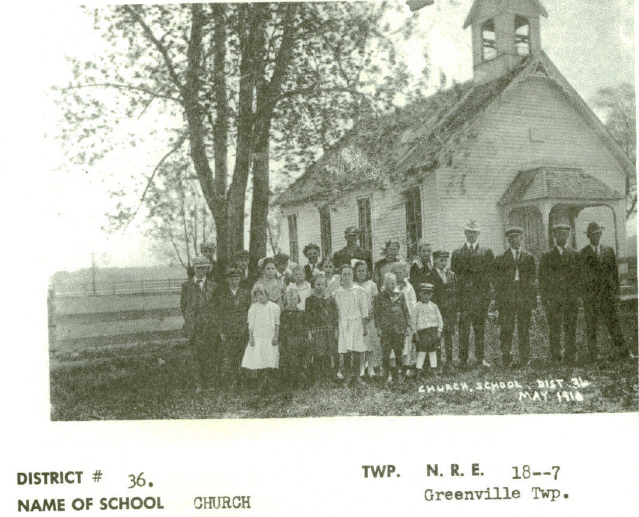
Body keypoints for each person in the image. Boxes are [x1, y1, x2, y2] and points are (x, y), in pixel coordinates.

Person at [579, 222, 632, 362]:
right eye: (593, 235)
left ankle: (624, 353)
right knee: (591, 326)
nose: (596, 237)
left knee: (614, 324)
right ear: (589, 236)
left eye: (598, 234)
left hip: (607, 295)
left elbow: (614, 274)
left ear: (600, 235)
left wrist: (617, 293)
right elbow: (580, 277)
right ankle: (593, 355)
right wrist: (584, 295)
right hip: (591, 297)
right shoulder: (583, 253)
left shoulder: (608, 250)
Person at [451, 220, 494, 368]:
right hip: (464, 299)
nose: (471, 235)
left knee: (479, 330)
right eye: (469, 232)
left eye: (474, 232)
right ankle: (463, 359)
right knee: (463, 330)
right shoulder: (457, 253)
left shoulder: (486, 252)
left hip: (480, 298)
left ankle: (480, 358)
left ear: (478, 234)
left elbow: (490, 276)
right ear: (465, 233)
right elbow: (455, 278)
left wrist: (487, 298)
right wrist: (457, 300)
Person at [494, 227, 537, 368]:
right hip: (508, 298)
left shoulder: (529, 257)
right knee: (507, 328)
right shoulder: (501, 258)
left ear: (521, 238)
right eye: (512, 238)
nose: (515, 241)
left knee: (524, 328)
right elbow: (497, 282)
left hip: (523, 297)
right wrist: (499, 301)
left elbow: (532, 280)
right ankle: (507, 357)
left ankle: (525, 358)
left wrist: (532, 300)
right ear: (508, 240)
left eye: (517, 237)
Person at [538, 224, 581, 364]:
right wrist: (545, 298)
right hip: (554, 298)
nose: (562, 236)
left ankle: (570, 354)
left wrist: (578, 296)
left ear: (568, 236)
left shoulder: (575, 254)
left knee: (571, 326)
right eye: (559, 234)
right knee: (555, 327)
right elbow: (542, 279)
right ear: (554, 236)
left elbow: (578, 278)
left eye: (565, 234)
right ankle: (556, 354)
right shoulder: (547, 256)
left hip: (570, 298)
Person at [180, 255, 220, 392]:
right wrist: (190, 321)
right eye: (198, 268)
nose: (201, 271)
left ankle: (210, 383)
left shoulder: (214, 286)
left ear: (208, 269)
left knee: (209, 355)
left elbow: (216, 306)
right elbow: (184, 306)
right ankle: (198, 384)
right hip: (194, 327)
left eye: (204, 268)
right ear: (194, 269)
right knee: (194, 356)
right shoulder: (186, 286)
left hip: (209, 327)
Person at [374, 272, 413, 384]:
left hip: (398, 329)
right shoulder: (379, 297)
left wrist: (408, 326)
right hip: (386, 330)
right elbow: (377, 314)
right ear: (383, 284)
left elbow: (405, 311)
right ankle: (386, 374)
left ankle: (399, 374)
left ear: (396, 283)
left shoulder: (400, 295)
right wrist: (378, 327)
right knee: (386, 353)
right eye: (387, 284)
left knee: (398, 352)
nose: (390, 286)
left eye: (392, 284)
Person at [241, 284, 281, 391]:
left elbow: (277, 323)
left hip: (269, 336)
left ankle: (270, 383)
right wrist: (251, 338)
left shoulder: (274, 307)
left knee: (270, 360)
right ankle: (261, 383)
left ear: (266, 294)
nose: (259, 296)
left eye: (261, 294)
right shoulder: (253, 307)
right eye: (256, 294)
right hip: (258, 337)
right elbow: (251, 324)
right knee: (258, 360)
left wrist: (276, 336)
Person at [333, 264, 369, 381]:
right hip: (343, 323)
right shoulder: (337, 292)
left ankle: (357, 375)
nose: (347, 277)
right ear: (341, 277)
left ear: (353, 275)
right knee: (346, 350)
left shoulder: (359, 290)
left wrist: (364, 326)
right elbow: (336, 311)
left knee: (357, 349)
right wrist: (337, 328)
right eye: (344, 274)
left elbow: (364, 310)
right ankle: (348, 375)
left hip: (357, 322)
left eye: (349, 274)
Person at [217, 267, 251, 386]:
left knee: (244, 353)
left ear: (240, 279)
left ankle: (244, 379)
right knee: (232, 355)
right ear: (227, 280)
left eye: (236, 278)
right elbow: (220, 314)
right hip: (229, 329)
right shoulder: (223, 295)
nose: (234, 281)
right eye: (231, 279)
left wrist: (249, 327)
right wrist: (221, 331)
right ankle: (235, 379)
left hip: (243, 328)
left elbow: (249, 311)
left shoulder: (245, 293)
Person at [426, 250, 456, 370]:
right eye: (440, 260)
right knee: (436, 338)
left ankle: (449, 362)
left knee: (448, 338)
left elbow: (454, 293)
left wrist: (455, 310)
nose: (443, 263)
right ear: (435, 261)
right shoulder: (430, 276)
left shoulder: (451, 275)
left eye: (445, 260)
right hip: (436, 311)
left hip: (449, 312)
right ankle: (436, 363)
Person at [305, 275, 339, 381]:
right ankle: (317, 374)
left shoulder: (330, 300)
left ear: (326, 285)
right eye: (317, 284)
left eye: (322, 284)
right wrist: (309, 332)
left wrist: (336, 330)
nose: (320, 287)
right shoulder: (310, 300)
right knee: (318, 352)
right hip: (317, 330)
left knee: (329, 351)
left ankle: (329, 373)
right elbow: (307, 318)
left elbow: (334, 316)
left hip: (329, 329)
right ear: (313, 286)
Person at [354, 260, 380, 378]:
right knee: (360, 345)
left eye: (363, 270)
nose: (361, 273)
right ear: (355, 272)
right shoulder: (353, 285)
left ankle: (371, 367)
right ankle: (360, 368)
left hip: (370, 318)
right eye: (359, 271)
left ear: (367, 271)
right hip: (358, 319)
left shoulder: (372, 285)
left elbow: (375, 302)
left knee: (370, 344)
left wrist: (371, 314)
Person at [279, 291, 309, 388]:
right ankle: (289, 380)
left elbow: (305, 326)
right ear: (286, 300)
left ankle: (299, 380)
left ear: (298, 300)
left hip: (299, 340)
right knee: (288, 360)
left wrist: (306, 336)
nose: (292, 301)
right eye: (290, 299)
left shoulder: (301, 313)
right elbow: (281, 327)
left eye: (295, 299)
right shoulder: (283, 313)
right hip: (287, 340)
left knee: (299, 360)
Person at [391, 261, 417, 375]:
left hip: (406, 318)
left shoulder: (409, 287)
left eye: (400, 272)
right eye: (395, 272)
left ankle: (406, 366)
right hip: (394, 320)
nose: (398, 275)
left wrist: (410, 319)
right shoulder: (390, 285)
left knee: (407, 343)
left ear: (405, 273)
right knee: (394, 345)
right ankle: (393, 367)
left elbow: (413, 303)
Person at [413, 283, 443, 377]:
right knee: (421, 351)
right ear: (419, 294)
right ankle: (418, 370)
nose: (426, 296)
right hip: (422, 332)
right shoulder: (416, 306)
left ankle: (434, 370)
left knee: (433, 351)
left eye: (429, 294)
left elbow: (439, 319)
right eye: (424, 293)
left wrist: (439, 331)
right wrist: (415, 332)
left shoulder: (434, 306)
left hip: (432, 331)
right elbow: (413, 320)